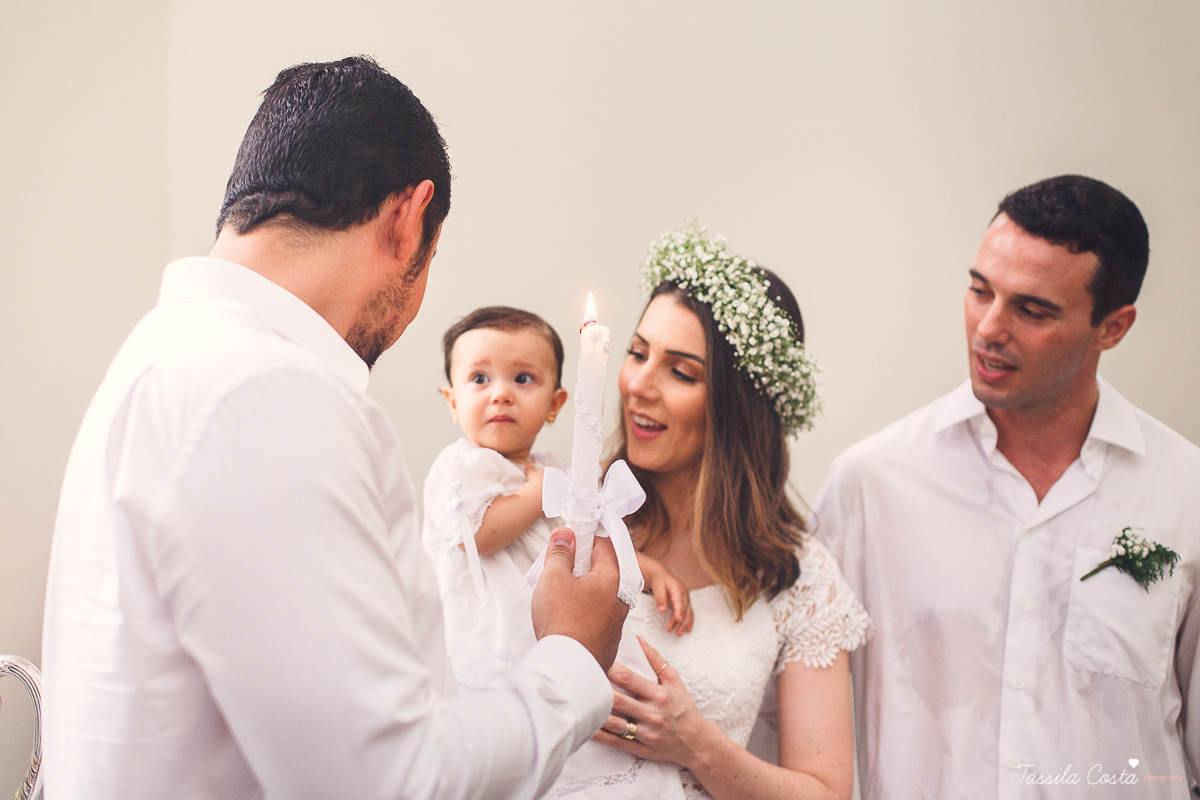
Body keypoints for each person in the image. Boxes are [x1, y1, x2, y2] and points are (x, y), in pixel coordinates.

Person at [40, 56, 628, 800]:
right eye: (431, 260)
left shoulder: (167, 354)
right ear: (407, 220)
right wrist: (572, 659)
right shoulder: (267, 393)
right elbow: (391, 782)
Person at [815, 175, 1200, 798]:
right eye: (979, 290)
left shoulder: (1186, 498)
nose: (988, 328)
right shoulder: (871, 485)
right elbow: (792, 723)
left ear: (1114, 327)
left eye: (1032, 309)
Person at [589, 223, 872, 800]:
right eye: (638, 353)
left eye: (681, 371)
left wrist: (696, 743)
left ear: (738, 404)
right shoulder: (576, 517)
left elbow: (826, 791)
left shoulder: (798, 576)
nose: (638, 384)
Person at [423, 305, 692, 687]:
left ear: (555, 404)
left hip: (553, 625)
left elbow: (594, 535)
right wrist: (536, 491)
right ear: (453, 402)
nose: (501, 394)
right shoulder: (460, 466)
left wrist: (652, 571)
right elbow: (476, 534)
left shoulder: (559, 467)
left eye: (523, 378)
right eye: (480, 378)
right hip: (485, 633)